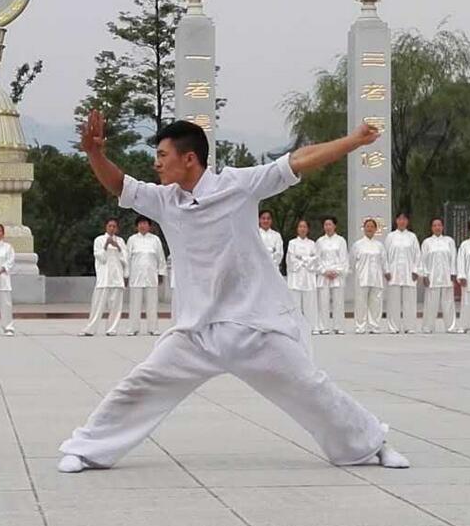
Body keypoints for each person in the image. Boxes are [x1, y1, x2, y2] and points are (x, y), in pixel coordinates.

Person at [57, 112, 409, 474]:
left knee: (311, 387)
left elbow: (296, 160)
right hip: (196, 332)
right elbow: (120, 185)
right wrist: (94, 154)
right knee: (139, 385)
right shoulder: (164, 200)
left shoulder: (237, 184)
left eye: (162, 155)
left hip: (252, 325)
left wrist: (353, 140)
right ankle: (86, 449)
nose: (156, 163)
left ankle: (371, 445)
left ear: (189, 158)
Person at [80, 218, 128, 336]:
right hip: (104, 278)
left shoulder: (121, 241)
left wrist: (119, 248)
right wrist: (106, 245)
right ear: (106, 227)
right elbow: (100, 258)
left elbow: (125, 259)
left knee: (115, 306)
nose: (112, 228)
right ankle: (90, 329)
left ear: (117, 228)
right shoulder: (99, 240)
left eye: (114, 226)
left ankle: (112, 329)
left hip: (116, 277)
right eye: (110, 226)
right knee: (97, 304)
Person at [126, 216, 167, 336]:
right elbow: (127, 258)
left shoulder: (155, 240)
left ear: (149, 226)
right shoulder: (132, 239)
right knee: (134, 303)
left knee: (152, 304)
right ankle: (133, 328)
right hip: (136, 276)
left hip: (151, 275)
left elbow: (161, 258)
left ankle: (153, 328)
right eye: (140, 224)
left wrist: (161, 274)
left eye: (145, 223)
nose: (142, 226)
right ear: (136, 226)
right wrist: (126, 275)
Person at [384, 212, 421, 334]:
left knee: (409, 301)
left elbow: (417, 255)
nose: (402, 221)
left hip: (409, 272)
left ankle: (409, 326)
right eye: (400, 219)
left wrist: (416, 270)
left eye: (404, 219)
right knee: (393, 301)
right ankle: (393, 327)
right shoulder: (390, 237)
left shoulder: (412, 237)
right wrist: (387, 270)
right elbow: (385, 255)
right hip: (393, 273)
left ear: (407, 221)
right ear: (396, 221)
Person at [419, 217, 457, 334]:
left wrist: (453, 273)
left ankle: (451, 327)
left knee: (449, 303)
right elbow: (423, 260)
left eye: (439, 225)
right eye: (435, 225)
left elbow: (453, 258)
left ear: (443, 227)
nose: (437, 227)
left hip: (446, 276)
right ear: (431, 228)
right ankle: (428, 327)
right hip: (432, 277)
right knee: (430, 303)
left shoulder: (449, 241)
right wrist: (424, 275)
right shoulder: (427, 242)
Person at [315, 216, 349, 335]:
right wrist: (324, 271)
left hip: (337, 275)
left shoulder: (341, 241)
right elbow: (317, 259)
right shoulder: (319, 241)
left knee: (338, 302)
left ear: (335, 226)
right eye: (325, 225)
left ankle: (338, 326)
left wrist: (336, 271)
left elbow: (344, 259)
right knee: (323, 302)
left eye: (330, 224)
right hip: (324, 276)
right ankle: (323, 326)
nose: (328, 227)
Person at [352, 219, 386, 334]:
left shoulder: (379, 245)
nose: (370, 229)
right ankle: (360, 326)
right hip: (362, 277)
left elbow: (384, 261)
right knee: (361, 303)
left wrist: (387, 272)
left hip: (376, 277)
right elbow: (351, 260)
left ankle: (374, 326)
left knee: (376, 303)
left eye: (372, 227)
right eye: (367, 226)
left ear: (376, 229)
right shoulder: (358, 245)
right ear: (364, 228)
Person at [286, 219, 320, 335]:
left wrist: (302, 258)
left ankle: (312, 327)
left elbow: (315, 260)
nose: (302, 229)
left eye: (305, 227)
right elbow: (291, 260)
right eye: (300, 226)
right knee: (296, 304)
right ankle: (296, 327)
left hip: (308, 277)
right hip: (296, 277)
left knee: (310, 304)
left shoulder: (312, 244)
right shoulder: (292, 243)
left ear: (308, 229)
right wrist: (307, 259)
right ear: (297, 229)